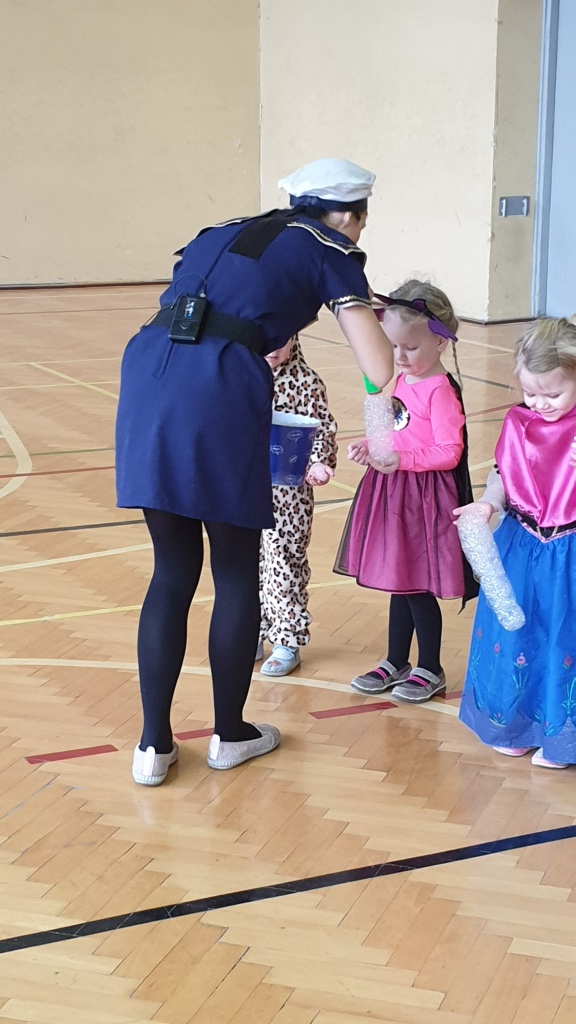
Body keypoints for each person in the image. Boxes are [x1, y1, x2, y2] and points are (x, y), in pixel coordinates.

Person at [115, 158, 394, 783]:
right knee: (236, 569)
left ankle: (152, 748)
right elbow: (377, 365)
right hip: (217, 384)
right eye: (361, 222)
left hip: (150, 371)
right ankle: (229, 734)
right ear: (349, 215)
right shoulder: (328, 243)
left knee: (171, 569)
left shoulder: (225, 228)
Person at [334, 280, 477, 703]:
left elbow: (449, 452)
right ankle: (396, 660)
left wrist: (403, 459)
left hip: (423, 498)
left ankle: (430, 667)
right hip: (393, 491)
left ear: (440, 341)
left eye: (410, 348)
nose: (399, 356)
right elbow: (395, 429)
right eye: (393, 346)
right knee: (400, 580)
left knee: (416, 586)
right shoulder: (401, 380)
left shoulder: (441, 391)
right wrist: (371, 445)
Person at [456, 317, 576, 768]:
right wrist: (487, 505)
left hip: (569, 552)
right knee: (520, 636)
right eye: (530, 393)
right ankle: (517, 724)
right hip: (522, 547)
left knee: (564, 638)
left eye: (553, 394)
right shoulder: (517, 422)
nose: (540, 404)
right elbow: (503, 475)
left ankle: (561, 736)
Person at [257, 335, 337, 676]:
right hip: (247, 487)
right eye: (268, 340)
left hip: (289, 494)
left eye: (283, 340)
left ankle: (287, 639)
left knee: (285, 564)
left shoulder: (306, 381)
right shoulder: (242, 375)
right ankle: (253, 628)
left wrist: (319, 462)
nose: (274, 348)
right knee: (247, 564)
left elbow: (323, 429)